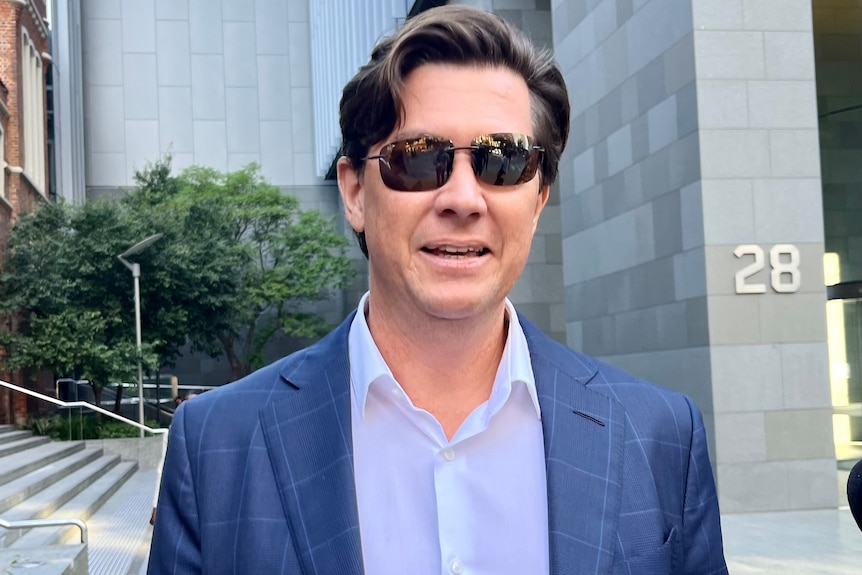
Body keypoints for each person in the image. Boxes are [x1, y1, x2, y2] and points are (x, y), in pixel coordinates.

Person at [148, 6, 728, 574]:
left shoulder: (660, 438)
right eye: (419, 160)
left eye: (502, 162)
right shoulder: (215, 449)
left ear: (539, 197)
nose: (463, 198)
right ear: (354, 193)